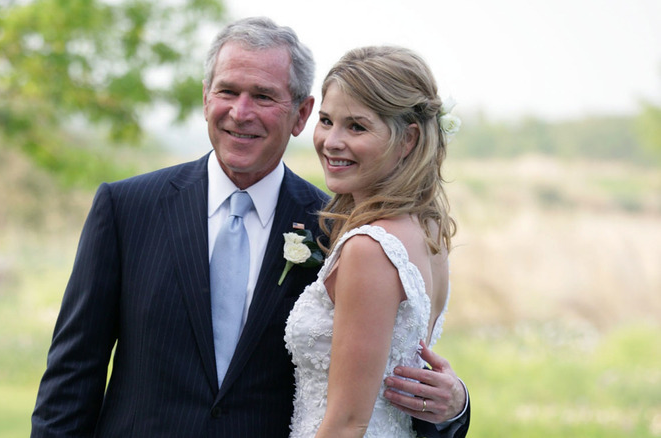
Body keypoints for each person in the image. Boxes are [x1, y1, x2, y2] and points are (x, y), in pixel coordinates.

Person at [31, 17, 468, 437]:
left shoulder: (337, 228)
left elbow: (383, 383)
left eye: (262, 96)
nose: (240, 113)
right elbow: (73, 374)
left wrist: (454, 408)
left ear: (300, 114)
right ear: (205, 98)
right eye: (228, 91)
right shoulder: (126, 209)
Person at [284, 45, 467, 437]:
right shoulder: (428, 228)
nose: (331, 141)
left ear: (408, 140)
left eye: (356, 126)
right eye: (327, 121)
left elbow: (348, 424)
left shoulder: (370, 247)